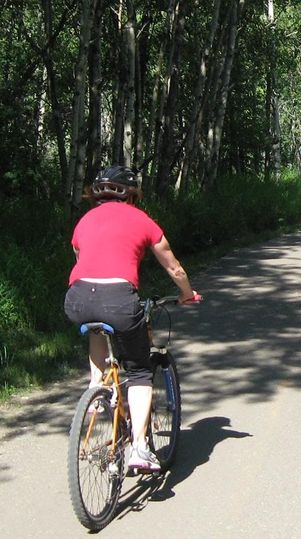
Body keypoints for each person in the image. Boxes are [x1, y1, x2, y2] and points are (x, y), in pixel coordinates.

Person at [63, 165, 200, 472]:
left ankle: (97, 388)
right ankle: (139, 446)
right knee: (138, 371)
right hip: (119, 300)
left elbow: (80, 257)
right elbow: (173, 267)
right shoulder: (142, 220)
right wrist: (188, 294)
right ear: (133, 194)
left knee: (97, 329)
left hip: (77, 298)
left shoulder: (84, 221)